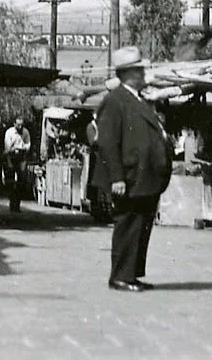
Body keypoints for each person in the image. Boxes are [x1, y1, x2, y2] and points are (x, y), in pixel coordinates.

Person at [94, 46, 172, 292]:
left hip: (143, 178)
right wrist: (116, 177)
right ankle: (120, 276)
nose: (143, 74)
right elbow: (107, 142)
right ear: (128, 73)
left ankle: (131, 274)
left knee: (140, 225)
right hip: (128, 176)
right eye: (139, 70)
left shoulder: (138, 99)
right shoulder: (115, 100)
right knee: (128, 226)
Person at [3, 115, 33, 213]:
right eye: (18, 125)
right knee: (11, 181)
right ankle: (12, 203)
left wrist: (22, 148)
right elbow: (7, 148)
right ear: (14, 124)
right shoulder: (9, 132)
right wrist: (9, 160)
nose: (20, 127)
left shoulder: (25, 132)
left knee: (22, 180)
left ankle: (18, 204)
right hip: (11, 156)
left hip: (22, 156)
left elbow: (28, 145)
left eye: (21, 125)